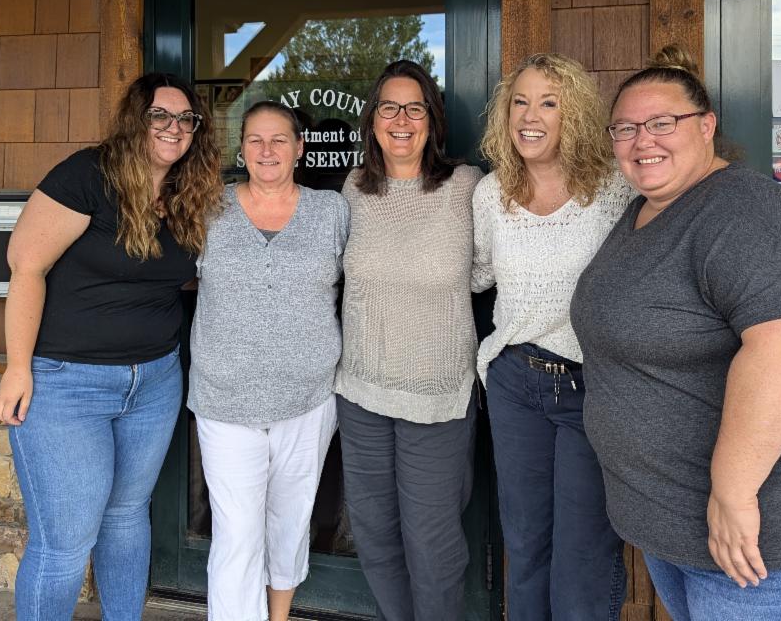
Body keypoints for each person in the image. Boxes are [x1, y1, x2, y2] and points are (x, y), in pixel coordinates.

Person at [571, 47, 781, 621]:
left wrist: (732, 494)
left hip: (774, 529)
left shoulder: (746, 211)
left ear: (706, 126)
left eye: (662, 122)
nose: (642, 140)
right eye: (625, 128)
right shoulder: (643, 214)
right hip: (682, 523)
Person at [0, 73, 223, 621]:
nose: (174, 128)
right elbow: (27, 266)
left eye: (185, 120)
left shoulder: (187, 192)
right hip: (67, 383)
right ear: (135, 121)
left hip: (155, 380)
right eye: (159, 117)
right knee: (66, 539)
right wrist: (18, 367)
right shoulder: (87, 175)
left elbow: (177, 276)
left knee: (125, 516)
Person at [472, 54, 633, 620]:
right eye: (520, 101)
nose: (529, 115)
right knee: (526, 541)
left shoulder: (614, 190)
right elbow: (475, 274)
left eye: (548, 102)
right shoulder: (492, 193)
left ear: (576, 115)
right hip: (515, 382)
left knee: (583, 551)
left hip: (592, 388)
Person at [188, 101, 348, 621]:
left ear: (300, 148)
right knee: (236, 531)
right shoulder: (208, 207)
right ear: (241, 149)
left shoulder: (331, 210)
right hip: (225, 398)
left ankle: (277, 616)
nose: (267, 150)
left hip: (307, 398)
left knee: (290, 519)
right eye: (255, 139)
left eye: (280, 139)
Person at [335, 59, 482, 621]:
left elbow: (486, 269)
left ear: (432, 120)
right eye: (389, 107)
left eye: (414, 107)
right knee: (375, 534)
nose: (401, 119)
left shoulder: (466, 188)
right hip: (361, 393)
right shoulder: (353, 188)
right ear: (372, 121)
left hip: (437, 397)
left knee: (433, 544)